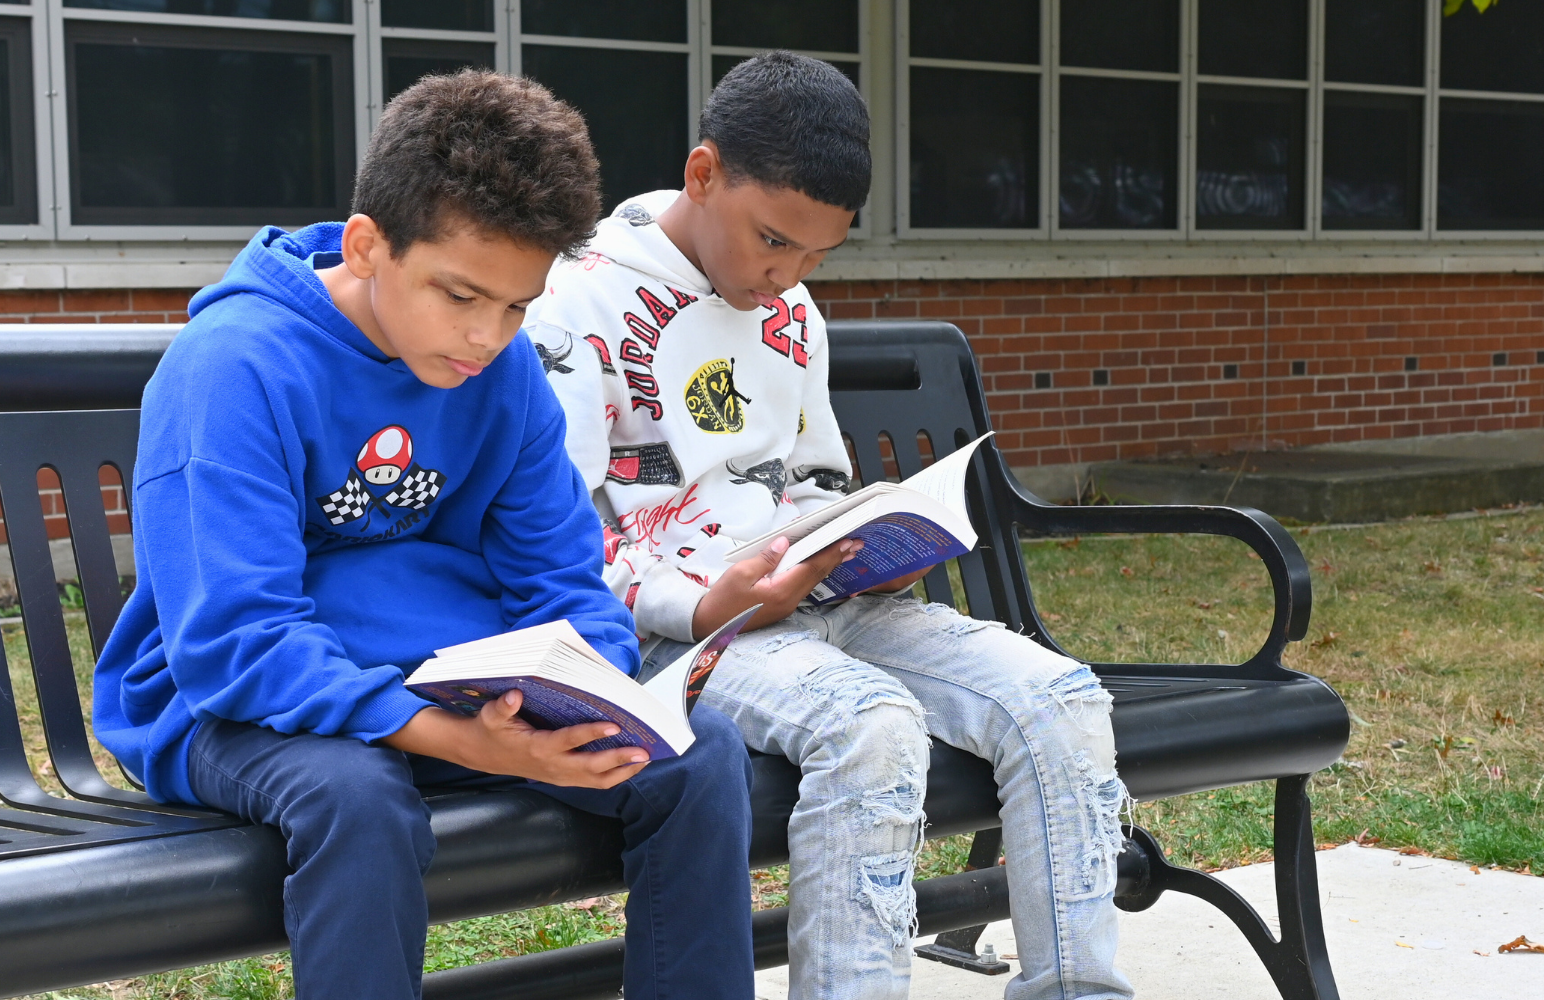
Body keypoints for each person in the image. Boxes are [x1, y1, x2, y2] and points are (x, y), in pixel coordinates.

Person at [90, 70, 754, 1000]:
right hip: (231, 709)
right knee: (356, 798)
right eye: (460, 295)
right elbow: (236, 643)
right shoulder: (232, 370)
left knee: (695, 757)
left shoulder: (503, 371)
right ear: (368, 247)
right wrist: (456, 739)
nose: (488, 336)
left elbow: (563, 576)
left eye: (518, 306)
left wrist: (592, 692)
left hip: (456, 691)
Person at [531, 51, 1132, 1000]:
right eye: (774, 242)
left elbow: (810, 480)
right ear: (702, 174)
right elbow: (556, 540)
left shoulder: (790, 313)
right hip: (679, 632)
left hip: (819, 603)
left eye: (817, 257)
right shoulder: (574, 301)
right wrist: (702, 604)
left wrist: (866, 542)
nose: (789, 277)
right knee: (873, 728)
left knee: (1059, 699)